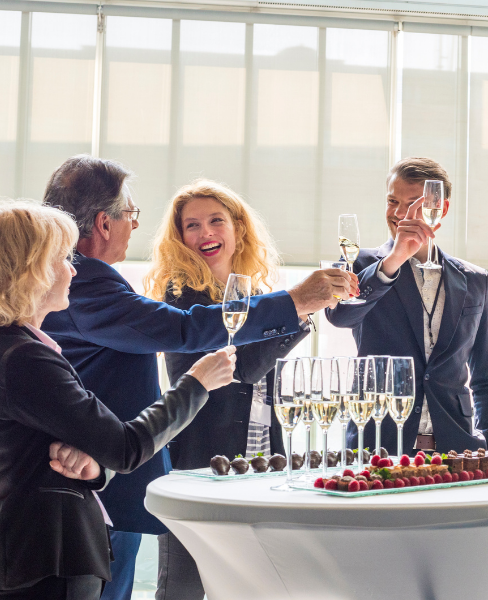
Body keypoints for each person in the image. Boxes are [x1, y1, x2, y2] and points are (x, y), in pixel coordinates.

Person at [40, 155, 354, 600]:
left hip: (103, 472)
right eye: (130, 214)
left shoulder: (88, 279)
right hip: (94, 477)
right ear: (104, 224)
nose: (135, 224)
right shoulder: (88, 281)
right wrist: (297, 300)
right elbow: (188, 329)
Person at [0, 200, 237, 600]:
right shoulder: (24, 358)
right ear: (33, 270)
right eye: (63, 259)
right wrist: (197, 384)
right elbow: (125, 447)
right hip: (45, 560)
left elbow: (40, 452)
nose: (74, 270)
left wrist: (93, 466)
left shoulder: (21, 349)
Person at [145, 180, 325, 600]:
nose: (205, 233)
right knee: (183, 586)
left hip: (259, 457)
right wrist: (299, 312)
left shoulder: (259, 298)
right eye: (192, 225)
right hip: (200, 461)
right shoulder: (180, 302)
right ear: (180, 238)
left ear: (238, 229)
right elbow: (240, 370)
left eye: (216, 221)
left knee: (253, 584)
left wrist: (296, 312)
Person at [325, 157, 488, 455]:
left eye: (412, 204)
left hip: (457, 452)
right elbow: (339, 315)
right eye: (392, 201)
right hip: (378, 447)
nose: (399, 213)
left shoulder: (475, 280)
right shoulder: (358, 264)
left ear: (440, 209)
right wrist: (393, 260)